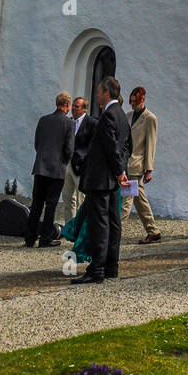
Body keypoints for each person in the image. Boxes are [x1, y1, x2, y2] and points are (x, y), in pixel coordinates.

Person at [71, 77, 132, 285]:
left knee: (100, 224)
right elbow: (126, 148)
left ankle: (96, 268)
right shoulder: (122, 116)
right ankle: (111, 266)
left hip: (100, 179)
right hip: (111, 179)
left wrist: (117, 171)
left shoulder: (108, 116)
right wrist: (121, 170)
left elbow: (111, 148)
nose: (97, 95)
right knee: (113, 223)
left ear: (107, 93)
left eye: (99, 92)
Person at [25, 93, 75, 248]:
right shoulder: (69, 123)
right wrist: (63, 162)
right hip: (56, 168)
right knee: (51, 204)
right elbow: (69, 149)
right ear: (67, 105)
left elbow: (37, 143)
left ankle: (30, 238)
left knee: (37, 204)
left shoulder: (44, 120)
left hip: (41, 167)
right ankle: (45, 239)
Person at [121, 86, 161, 244]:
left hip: (137, 164)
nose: (131, 105)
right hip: (127, 163)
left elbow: (151, 144)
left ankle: (114, 231)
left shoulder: (150, 118)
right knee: (140, 200)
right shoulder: (128, 115)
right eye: (130, 102)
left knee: (126, 201)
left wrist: (149, 169)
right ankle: (153, 231)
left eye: (134, 102)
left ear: (142, 100)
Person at [61, 96, 92, 225]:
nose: (73, 108)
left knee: (81, 199)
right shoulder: (67, 122)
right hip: (66, 164)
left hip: (81, 166)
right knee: (67, 198)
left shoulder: (91, 123)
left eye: (76, 106)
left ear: (84, 109)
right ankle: (69, 226)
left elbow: (92, 145)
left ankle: (80, 227)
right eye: (73, 105)